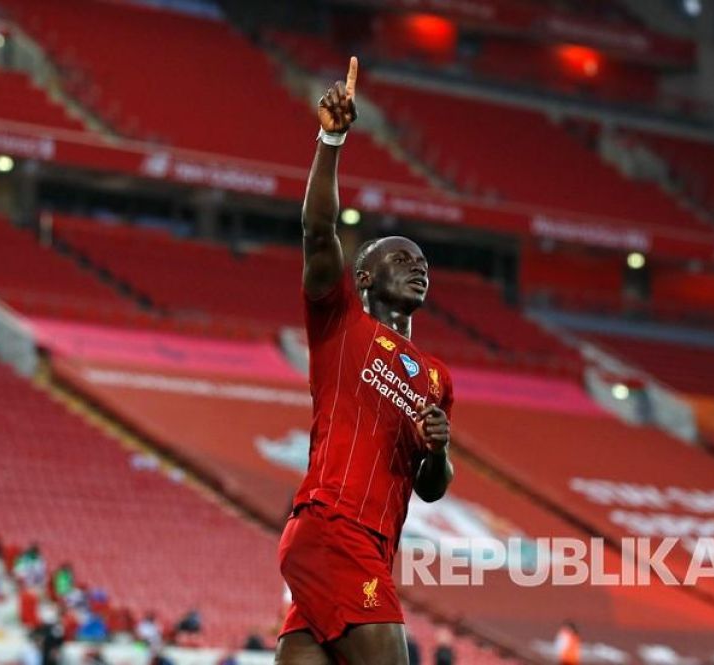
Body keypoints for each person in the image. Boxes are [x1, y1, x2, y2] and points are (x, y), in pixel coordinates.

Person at [275, 56, 455, 664]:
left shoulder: (436, 379)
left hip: (370, 550)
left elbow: (431, 490)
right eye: (400, 257)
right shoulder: (340, 323)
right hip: (334, 527)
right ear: (364, 276)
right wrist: (331, 139)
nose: (417, 264)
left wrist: (439, 449)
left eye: (423, 261)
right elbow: (317, 231)